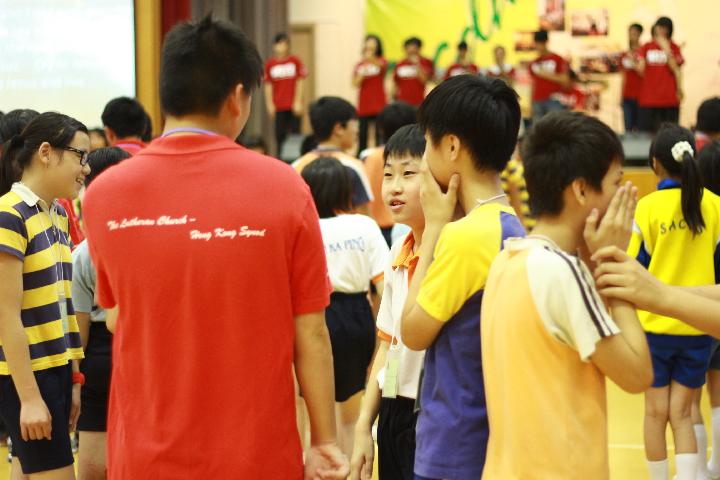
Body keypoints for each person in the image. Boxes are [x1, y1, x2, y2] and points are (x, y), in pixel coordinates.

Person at [81, 16, 348, 478]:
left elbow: (118, 314)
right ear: (238, 97)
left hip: (145, 456)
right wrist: (324, 440)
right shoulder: (284, 186)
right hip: (257, 457)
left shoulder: (103, 195)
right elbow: (311, 332)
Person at [481, 110, 653, 478]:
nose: (623, 196)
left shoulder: (508, 261)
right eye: (616, 183)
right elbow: (637, 373)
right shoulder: (561, 271)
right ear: (581, 190)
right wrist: (614, 260)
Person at [400, 74, 524, 479]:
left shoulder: (465, 236)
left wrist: (434, 228)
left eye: (427, 143)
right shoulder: (510, 224)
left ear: (451, 146)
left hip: (454, 442)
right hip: (492, 435)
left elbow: (412, 332)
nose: (423, 158)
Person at [626, 124, 720, 480]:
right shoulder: (715, 206)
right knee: (682, 413)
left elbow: (634, 268)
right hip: (699, 329)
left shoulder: (646, 208)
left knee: (655, 413)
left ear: (655, 163)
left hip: (655, 329)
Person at [0, 112, 88, 479]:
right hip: (27, 375)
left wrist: (74, 378)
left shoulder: (58, 215)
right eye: (80, 156)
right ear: (46, 152)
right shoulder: (9, 214)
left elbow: (65, 305)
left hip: (57, 369)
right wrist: (30, 397)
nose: (85, 169)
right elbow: (5, 316)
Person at [351, 125, 426, 480]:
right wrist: (365, 424)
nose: (394, 187)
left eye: (409, 174)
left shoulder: (451, 252)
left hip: (430, 411)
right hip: (394, 406)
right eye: (388, 175)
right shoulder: (398, 249)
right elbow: (388, 345)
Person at [300, 156, 388, 459]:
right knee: (352, 415)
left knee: (311, 415)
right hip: (356, 318)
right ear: (346, 190)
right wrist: (381, 340)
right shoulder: (364, 226)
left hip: (311, 317)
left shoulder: (303, 226)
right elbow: (384, 289)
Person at [70, 147, 130, 480]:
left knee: (97, 467)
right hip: (110, 355)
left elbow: (79, 335)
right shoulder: (85, 254)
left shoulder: (84, 253)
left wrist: (75, 379)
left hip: (105, 355)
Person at [293, 96, 374, 213]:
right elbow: (364, 216)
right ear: (339, 128)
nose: (357, 130)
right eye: (355, 124)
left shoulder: (296, 166)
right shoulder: (354, 166)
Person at [361, 101, 417, 245]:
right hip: (402, 225)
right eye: (388, 174)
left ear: (381, 130)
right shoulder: (417, 158)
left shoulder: (369, 158)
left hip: (379, 226)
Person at [637, 17, 684, 133]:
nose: (662, 30)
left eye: (665, 28)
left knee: (669, 134)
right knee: (646, 134)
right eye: (659, 27)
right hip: (648, 99)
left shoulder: (674, 47)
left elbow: (675, 68)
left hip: (669, 99)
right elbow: (640, 70)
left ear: (669, 30)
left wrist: (666, 48)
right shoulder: (646, 46)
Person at [264, 32, 307, 155]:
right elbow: (268, 85)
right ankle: (280, 158)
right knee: (279, 135)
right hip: (279, 106)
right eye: (279, 44)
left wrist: (298, 101)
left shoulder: (295, 61)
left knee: (295, 135)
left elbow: (300, 81)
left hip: (293, 106)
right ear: (274, 46)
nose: (282, 47)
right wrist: (270, 104)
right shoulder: (270, 64)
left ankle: (296, 157)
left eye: (284, 44)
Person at [353, 34, 387, 154]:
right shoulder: (359, 65)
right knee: (362, 134)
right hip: (364, 104)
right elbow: (355, 83)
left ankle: (379, 155)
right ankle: (361, 155)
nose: (370, 45)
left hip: (379, 103)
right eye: (368, 43)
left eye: (373, 43)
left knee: (379, 134)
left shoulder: (382, 60)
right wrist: (363, 71)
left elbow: (382, 67)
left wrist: (370, 58)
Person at [529, 30, 570, 125]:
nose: (538, 46)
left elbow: (565, 80)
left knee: (555, 127)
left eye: (541, 43)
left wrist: (544, 74)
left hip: (554, 100)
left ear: (546, 42)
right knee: (538, 128)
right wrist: (531, 103)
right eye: (537, 43)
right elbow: (533, 84)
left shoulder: (558, 59)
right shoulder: (534, 62)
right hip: (537, 101)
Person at [392, 37, 434, 107]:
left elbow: (425, 80)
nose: (411, 50)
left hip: (419, 103)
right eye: (409, 48)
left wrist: (417, 64)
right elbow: (395, 83)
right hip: (401, 103)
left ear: (419, 49)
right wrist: (394, 99)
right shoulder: (400, 64)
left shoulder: (426, 62)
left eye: (414, 48)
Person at [621, 23, 644, 133]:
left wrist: (633, 60)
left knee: (640, 128)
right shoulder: (625, 54)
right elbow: (623, 75)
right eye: (630, 33)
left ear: (639, 34)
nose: (632, 35)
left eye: (634, 33)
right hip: (627, 96)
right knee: (628, 128)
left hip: (640, 96)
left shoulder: (643, 52)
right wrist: (621, 95)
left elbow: (642, 72)